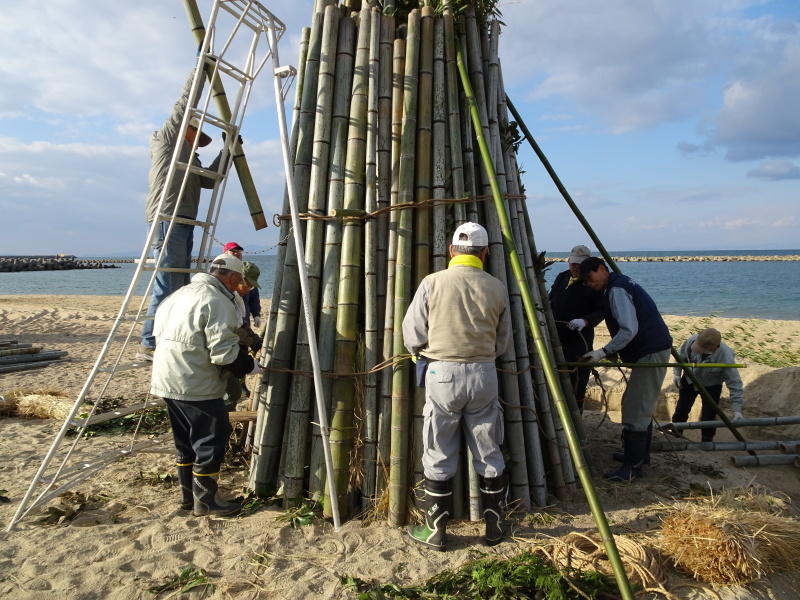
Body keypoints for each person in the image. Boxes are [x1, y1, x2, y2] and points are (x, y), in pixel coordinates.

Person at [402, 222, 512, 551]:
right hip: (484, 373)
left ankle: (435, 531)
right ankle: (494, 529)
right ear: (485, 252)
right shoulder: (496, 287)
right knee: (489, 451)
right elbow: (502, 340)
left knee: (437, 451)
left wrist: (421, 353)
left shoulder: (432, 283)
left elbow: (412, 334)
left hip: (441, 374)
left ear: (451, 251)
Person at [150, 253, 260, 516]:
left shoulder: (178, 295)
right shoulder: (217, 300)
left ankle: (187, 499)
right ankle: (207, 501)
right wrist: (249, 366)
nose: (238, 287)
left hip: (166, 379)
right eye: (238, 282)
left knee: (185, 441)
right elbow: (223, 353)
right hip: (195, 382)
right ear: (232, 277)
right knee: (210, 439)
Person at [138, 69, 226, 359]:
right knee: (169, 281)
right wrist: (200, 68)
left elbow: (211, 180)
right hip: (168, 217)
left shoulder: (193, 158)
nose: (197, 141)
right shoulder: (166, 141)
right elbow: (185, 102)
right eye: (196, 135)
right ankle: (151, 340)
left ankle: (165, 334)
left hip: (186, 221)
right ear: (185, 128)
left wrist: (228, 151)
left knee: (181, 284)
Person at [579, 257, 673, 481]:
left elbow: (629, 329)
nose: (589, 284)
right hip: (649, 349)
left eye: (590, 278)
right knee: (640, 402)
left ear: (601, 269)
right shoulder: (618, 284)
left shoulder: (617, 289)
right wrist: (614, 352)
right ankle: (641, 456)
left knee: (636, 406)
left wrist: (602, 351)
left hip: (650, 351)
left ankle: (633, 466)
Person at [548, 245, 604, 413]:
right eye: (573, 263)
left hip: (579, 341)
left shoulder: (592, 284)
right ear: (569, 261)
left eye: (580, 264)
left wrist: (585, 321)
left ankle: (575, 420)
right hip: (556, 337)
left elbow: (602, 310)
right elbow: (550, 299)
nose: (576, 267)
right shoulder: (561, 277)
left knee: (576, 382)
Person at [671, 328, 744, 441]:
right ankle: (675, 436)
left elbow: (734, 383)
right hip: (690, 380)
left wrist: (737, 409)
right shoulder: (692, 340)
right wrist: (677, 373)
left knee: (708, 416)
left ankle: (706, 442)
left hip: (711, 385)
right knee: (681, 410)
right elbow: (681, 356)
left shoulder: (725, 356)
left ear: (715, 347)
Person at [224, 261, 263, 407]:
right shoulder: (225, 298)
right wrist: (250, 341)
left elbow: (242, 324)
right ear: (237, 278)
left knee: (234, 388)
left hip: (235, 347)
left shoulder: (237, 298)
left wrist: (254, 338)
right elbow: (233, 327)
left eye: (252, 286)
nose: (249, 288)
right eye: (247, 284)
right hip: (227, 349)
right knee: (230, 390)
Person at [223, 242, 262, 328]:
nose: (237, 254)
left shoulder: (247, 270)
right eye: (233, 251)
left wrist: (256, 315)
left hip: (244, 319)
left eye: (239, 251)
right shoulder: (221, 274)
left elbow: (254, 298)